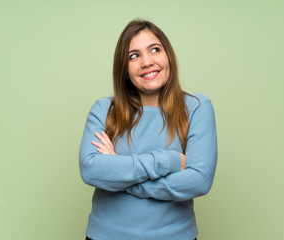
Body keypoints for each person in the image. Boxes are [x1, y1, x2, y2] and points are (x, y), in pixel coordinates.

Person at [79, 19, 217, 240]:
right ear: (123, 68)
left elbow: (198, 181)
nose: (147, 62)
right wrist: (169, 161)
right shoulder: (104, 109)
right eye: (134, 55)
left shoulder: (197, 108)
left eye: (155, 50)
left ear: (168, 55)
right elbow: (91, 170)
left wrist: (119, 176)